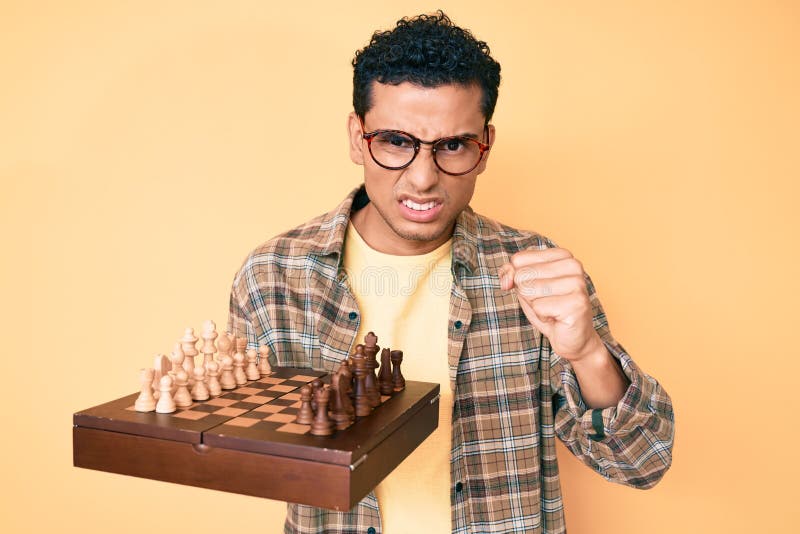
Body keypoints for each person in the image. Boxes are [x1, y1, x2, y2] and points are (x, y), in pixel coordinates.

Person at [227, 11, 674, 534]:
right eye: (396, 141)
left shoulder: (536, 273)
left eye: (453, 146)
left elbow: (640, 463)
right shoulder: (273, 278)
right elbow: (252, 465)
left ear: (485, 146)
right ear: (357, 137)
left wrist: (588, 354)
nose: (422, 178)